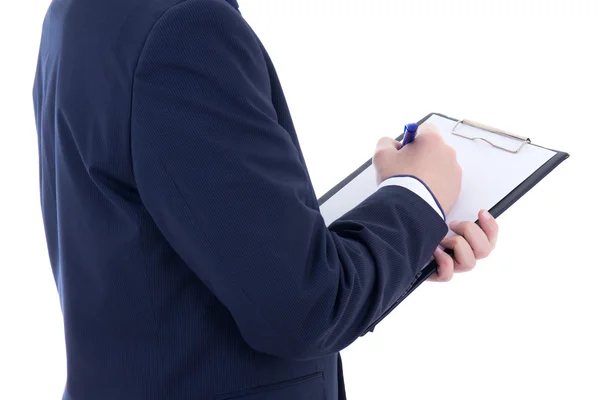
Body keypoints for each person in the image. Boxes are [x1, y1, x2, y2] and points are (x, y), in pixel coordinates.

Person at [32, 0, 499, 399]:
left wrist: (406, 229)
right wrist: (416, 194)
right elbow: (307, 306)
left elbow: (189, 242)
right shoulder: (184, 31)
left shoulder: (78, 13)